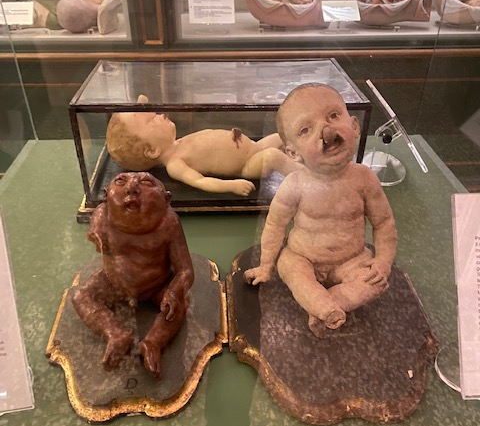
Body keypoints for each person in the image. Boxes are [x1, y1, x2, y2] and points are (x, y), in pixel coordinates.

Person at [244, 83, 397, 336]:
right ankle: (323, 306)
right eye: (306, 130)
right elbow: (275, 225)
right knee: (289, 267)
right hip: (303, 257)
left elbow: (384, 223)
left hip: (352, 259)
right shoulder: (295, 185)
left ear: (354, 126)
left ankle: (323, 308)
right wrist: (265, 265)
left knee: (375, 283)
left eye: (333, 116)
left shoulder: (365, 179)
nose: (326, 131)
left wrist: (383, 262)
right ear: (293, 152)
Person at [71, 172, 194, 378]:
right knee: (81, 297)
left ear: (166, 199)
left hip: (156, 285)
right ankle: (115, 334)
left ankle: (153, 342)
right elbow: (96, 234)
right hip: (113, 282)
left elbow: (185, 270)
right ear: (106, 196)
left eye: (146, 183)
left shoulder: (169, 224)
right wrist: (97, 235)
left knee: (178, 305)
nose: (132, 188)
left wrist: (174, 290)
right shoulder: (102, 215)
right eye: (120, 181)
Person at [106, 97, 295, 196]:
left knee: (281, 137)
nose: (161, 114)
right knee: (272, 156)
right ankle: (304, 179)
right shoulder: (175, 165)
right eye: (152, 119)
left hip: (254, 147)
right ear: (152, 150)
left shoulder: (178, 143)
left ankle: (301, 158)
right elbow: (201, 182)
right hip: (248, 165)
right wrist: (231, 186)